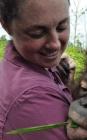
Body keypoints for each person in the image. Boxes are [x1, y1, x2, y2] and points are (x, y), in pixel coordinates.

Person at [0, 0, 74, 139]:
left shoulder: (9, 67)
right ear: (6, 25)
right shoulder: (34, 98)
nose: (55, 44)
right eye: (37, 33)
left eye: (61, 27)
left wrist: (65, 83)